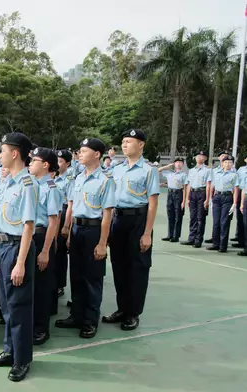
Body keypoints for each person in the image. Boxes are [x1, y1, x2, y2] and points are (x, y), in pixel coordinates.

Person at [0, 132, 38, 383]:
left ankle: (22, 359)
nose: (0, 154)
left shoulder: (28, 184)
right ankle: (9, 350)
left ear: (15, 153)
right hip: (5, 247)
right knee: (6, 305)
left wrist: (19, 263)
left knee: (19, 307)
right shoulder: (7, 182)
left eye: (3, 150)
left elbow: (28, 226)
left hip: (19, 248)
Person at [55, 137, 114, 339]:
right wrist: (67, 228)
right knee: (77, 275)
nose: (80, 154)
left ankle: (90, 320)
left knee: (92, 278)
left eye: (84, 151)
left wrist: (102, 243)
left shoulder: (105, 180)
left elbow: (107, 215)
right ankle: (76, 315)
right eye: (79, 151)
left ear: (96, 154)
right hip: (77, 230)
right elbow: (71, 206)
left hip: (94, 231)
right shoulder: (78, 178)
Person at [105, 129, 159, 332]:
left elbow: (153, 204)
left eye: (129, 141)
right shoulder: (117, 169)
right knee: (119, 265)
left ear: (141, 144)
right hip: (119, 220)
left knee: (137, 267)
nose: (125, 145)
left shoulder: (148, 170)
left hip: (139, 220)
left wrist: (147, 233)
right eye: (123, 141)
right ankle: (122, 308)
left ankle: (133, 313)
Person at [28, 147, 62, 346]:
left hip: (41, 238)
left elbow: (53, 222)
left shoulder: (50, 187)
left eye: (35, 160)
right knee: (29, 286)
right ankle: (30, 323)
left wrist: (45, 251)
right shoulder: (30, 184)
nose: (31, 163)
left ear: (46, 164)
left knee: (41, 287)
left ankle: (40, 329)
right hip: (28, 236)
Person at [207, 155, 239, 253]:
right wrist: (210, 199)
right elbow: (212, 186)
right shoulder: (216, 173)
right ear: (222, 163)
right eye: (226, 162)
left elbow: (236, 189)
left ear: (232, 164)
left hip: (227, 198)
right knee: (216, 222)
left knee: (224, 222)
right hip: (217, 197)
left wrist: (234, 203)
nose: (228, 164)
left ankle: (223, 246)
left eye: (230, 162)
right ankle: (215, 244)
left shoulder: (234, 175)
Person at [180, 151, 212, 248]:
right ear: (195, 158)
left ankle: (198, 240)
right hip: (193, 193)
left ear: (205, 159)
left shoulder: (207, 170)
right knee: (193, 217)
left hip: (202, 193)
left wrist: (207, 199)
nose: (200, 158)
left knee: (200, 218)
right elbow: (189, 184)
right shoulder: (191, 170)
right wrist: (188, 198)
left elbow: (208, 185)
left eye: (202, 156)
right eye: (198, 156)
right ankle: (191, 238)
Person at [54, 149, 73, 302]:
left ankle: (59, 283)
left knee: (60, 252)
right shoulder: (51, 177)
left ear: (67, 163)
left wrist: (66, 225)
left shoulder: (69, 180)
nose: (57, 164)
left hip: (63, 213)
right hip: (52, 214)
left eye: (60, 161)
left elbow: (71, 205)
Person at [158, 158, 188, 242]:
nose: (178, 164)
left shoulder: (184, 175)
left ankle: (176, 236)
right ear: (174, 164)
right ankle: (170, 234)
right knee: (170, 214)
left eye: (181, 163)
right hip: (170, 193)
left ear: (183, 165)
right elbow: (157, 170)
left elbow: (185, 188)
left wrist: (183, 201)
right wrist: (167, 166)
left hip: (179, 194)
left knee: (178, 216)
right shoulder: (169, 173)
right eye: (177, 162)